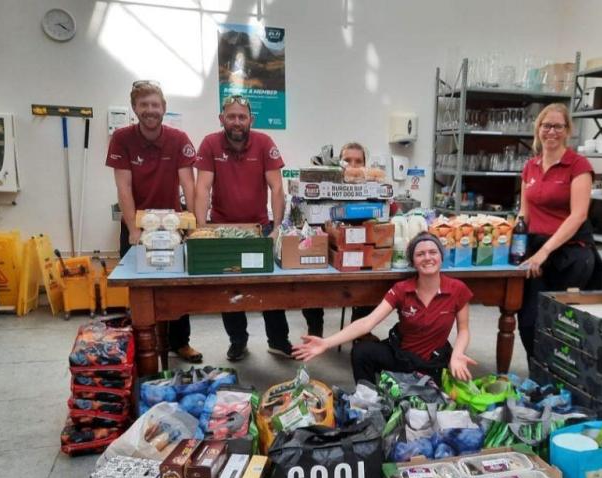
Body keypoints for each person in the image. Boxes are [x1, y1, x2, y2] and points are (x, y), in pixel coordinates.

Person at [294, 232, 477, 384]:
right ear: (413, 261)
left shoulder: (457, 289)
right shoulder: (401, 289)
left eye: (433, 252)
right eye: (420, 254)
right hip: (401, 355)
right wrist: (326, 343)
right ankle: (370, 402)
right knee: (362, 351)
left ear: (441, 257)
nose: (427, 257)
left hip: (433, 362)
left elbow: (463, 330)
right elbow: (367, 323)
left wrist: (458, 354)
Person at [105, 80, 203, 363]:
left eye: (155, 105)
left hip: (172, 225)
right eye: (144, 105)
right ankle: (141, 341)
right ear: (134, 108)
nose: (150, 110)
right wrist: (134, 230)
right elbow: (123, 187)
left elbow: (189, 184)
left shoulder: (179, 139)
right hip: (137, 226)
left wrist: (194, 224)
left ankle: (180, 342)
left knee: (179, 285)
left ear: (164, 108)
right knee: (140, 286)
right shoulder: (122, 138)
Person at [194, 95, 293, 362]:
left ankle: (278, 340)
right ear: (221, 119)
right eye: (231, 116)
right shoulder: (210, 143)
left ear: (251, 119)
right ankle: (238, 341)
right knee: (230, 287)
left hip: (259, 228)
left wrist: (276, 228)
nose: (237, 122)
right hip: (223, 229)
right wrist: (202, 229)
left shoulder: (264, 143)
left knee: (269, 286)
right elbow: (202, 187)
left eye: (242, 117)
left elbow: (276, 187)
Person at [517, 102, 602, 362]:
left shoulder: (578, 165)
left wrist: (545, 252)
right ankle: (539, 372)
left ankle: (564, 376)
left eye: (558, 126)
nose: (551, 132)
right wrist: (514, 244)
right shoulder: (530, 167)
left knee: (563, 322)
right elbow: (524, 213)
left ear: (567, 130)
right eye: (546, 125)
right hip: (535, 252)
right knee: (529, 319)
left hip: (570, 254)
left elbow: (578, 215)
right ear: (538, 129)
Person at [300, 142, 378, 341]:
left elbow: (387, 216)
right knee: (309, 283)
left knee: (375, 284)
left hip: (360, 258)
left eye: (358, 161)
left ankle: (358, 331)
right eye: (347, 160)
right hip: (328, 256)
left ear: (365, 165)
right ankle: (315, 332)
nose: (353, 165)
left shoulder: (373, 189)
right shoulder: (326, 187)